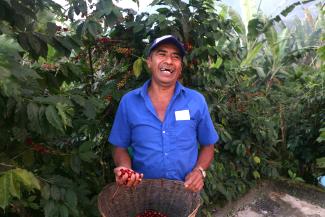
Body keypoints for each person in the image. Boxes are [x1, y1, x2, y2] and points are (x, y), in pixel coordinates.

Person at [108, 35, 219, 192]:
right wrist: (126, 169)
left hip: (185, 193)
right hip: (141, 192)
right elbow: (119, 146)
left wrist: (199, 171)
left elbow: (208, 145)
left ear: (180, 67)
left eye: (176, 57)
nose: (169, 61)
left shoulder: (196, 101)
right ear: (149, 62)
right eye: (162, 54)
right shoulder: (129, 102)